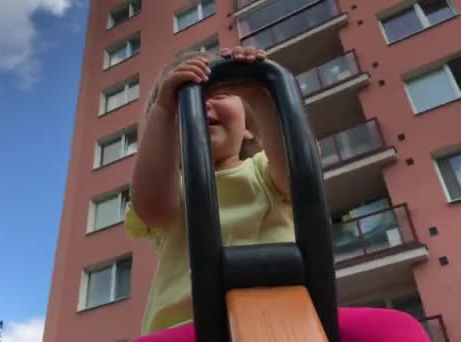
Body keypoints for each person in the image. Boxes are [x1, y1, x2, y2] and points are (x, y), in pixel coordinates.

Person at [124, 46, 429, 342]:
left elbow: (301, 176)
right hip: (190, 325)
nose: (203, 103)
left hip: (292, 317)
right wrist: (162, 110)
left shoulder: (263, 171)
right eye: (185, 100)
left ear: (249, 128)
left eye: (221, 92)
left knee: (396, 328)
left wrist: (261, 95)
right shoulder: (173, 188)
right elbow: (152, 207)